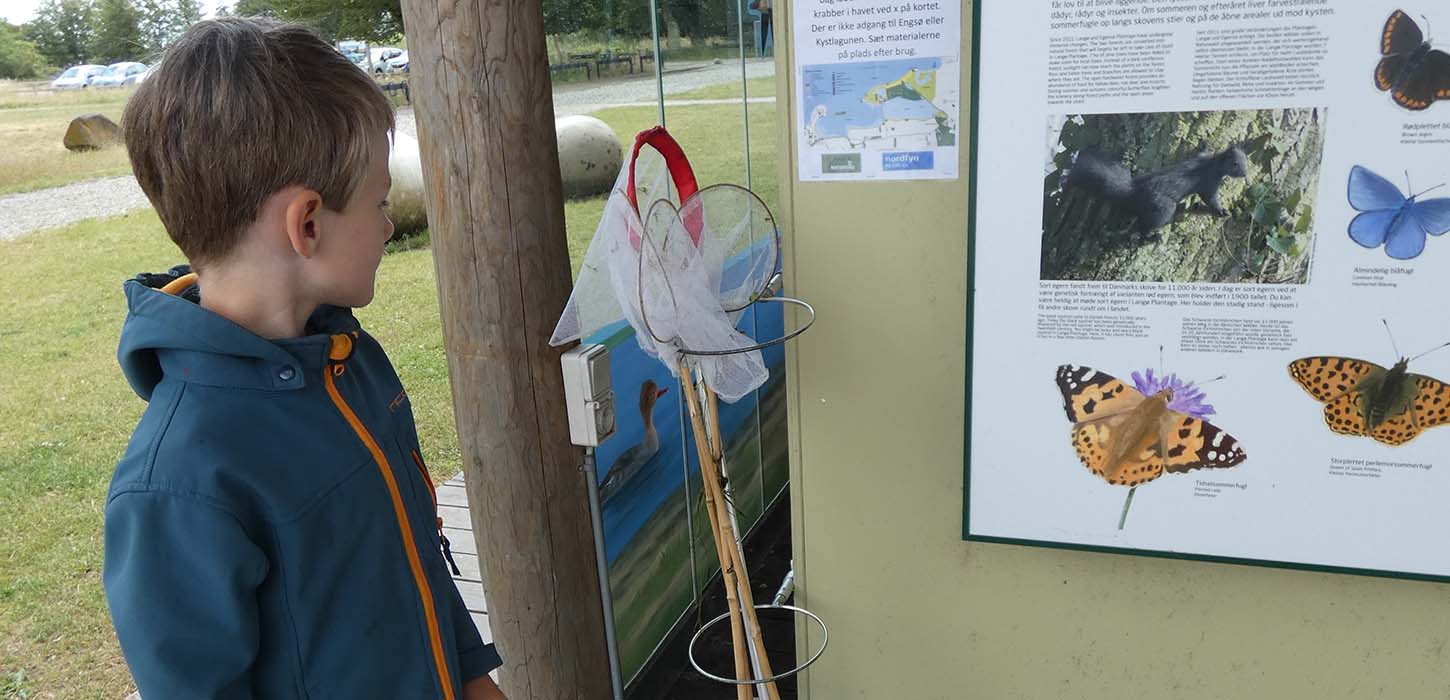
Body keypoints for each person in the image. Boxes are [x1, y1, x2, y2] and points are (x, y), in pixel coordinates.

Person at [103, 18, 506, 700]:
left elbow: (413, 563)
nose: (386, 225)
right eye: (379, 203)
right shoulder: (178, 483)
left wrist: (472, 677)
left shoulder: (353, 362)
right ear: (308, 223)